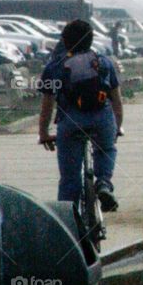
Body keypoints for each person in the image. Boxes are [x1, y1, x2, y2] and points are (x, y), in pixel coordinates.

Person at [38, 19, 123, 210]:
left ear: (65, 42)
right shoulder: (103, 63)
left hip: (70, 122)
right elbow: (116, 100)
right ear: (91, 41)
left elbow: (47, 105)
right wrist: (117, 126)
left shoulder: (55, 67)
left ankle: (67, 218)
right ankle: (103, 183)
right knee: (106, 149)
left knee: (69, 178)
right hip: (102, 119)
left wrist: (43, 133)